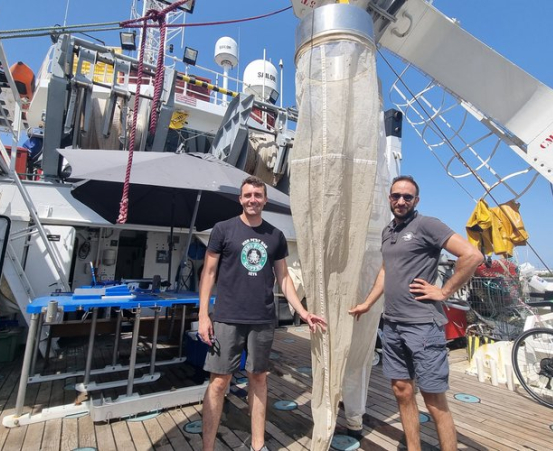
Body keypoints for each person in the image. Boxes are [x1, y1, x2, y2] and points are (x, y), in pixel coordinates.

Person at [349, 175, 482, 451]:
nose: (401, 201)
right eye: (396, 196)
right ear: (389, 198)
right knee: (402, 391)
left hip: (423, 326)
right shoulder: (389, 232)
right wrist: (368, 303)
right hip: (394, 324)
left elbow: (471, 256)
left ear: (416, 200)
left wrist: (443, 292)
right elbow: (386, 271)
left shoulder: (427, 225)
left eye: (407, 197)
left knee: (433, 400)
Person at [198, 175, 327, 451]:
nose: (252, 200)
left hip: (262, 319)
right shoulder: (223, 230)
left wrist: (302, 312)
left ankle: (258, 445)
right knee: (219, 382)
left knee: (258, 379)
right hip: (226, 317)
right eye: (247, 195)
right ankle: (207, 447)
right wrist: (203, 315)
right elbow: (208, 273)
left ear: (265, 200)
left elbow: (284, 278)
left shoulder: (275, 236)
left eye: (257, 195)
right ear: (240, 199)